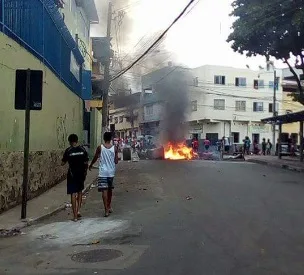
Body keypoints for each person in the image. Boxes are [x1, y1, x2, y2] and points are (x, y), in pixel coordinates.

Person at [89, 132, 119, 217]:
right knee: (110, 190)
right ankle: (109, 206)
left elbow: (95, 157)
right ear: (110, 139)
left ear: (103, 138)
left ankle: (106, 210)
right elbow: (116, 161)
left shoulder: (100, 148)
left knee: (104, 191)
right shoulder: (115, 148)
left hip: (102, 173)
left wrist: (91, 165)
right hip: (111, 173)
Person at [62, 134, 89, 222]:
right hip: (81, 174)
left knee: (73, 194)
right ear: (77, 140)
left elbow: (63, 162)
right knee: (80, 192)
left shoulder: (68, 150)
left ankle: (75, 216)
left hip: (72, 174)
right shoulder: (82, 150)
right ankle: (78, 210)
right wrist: (85, 172)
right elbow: (86, 162)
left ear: (69, 141)